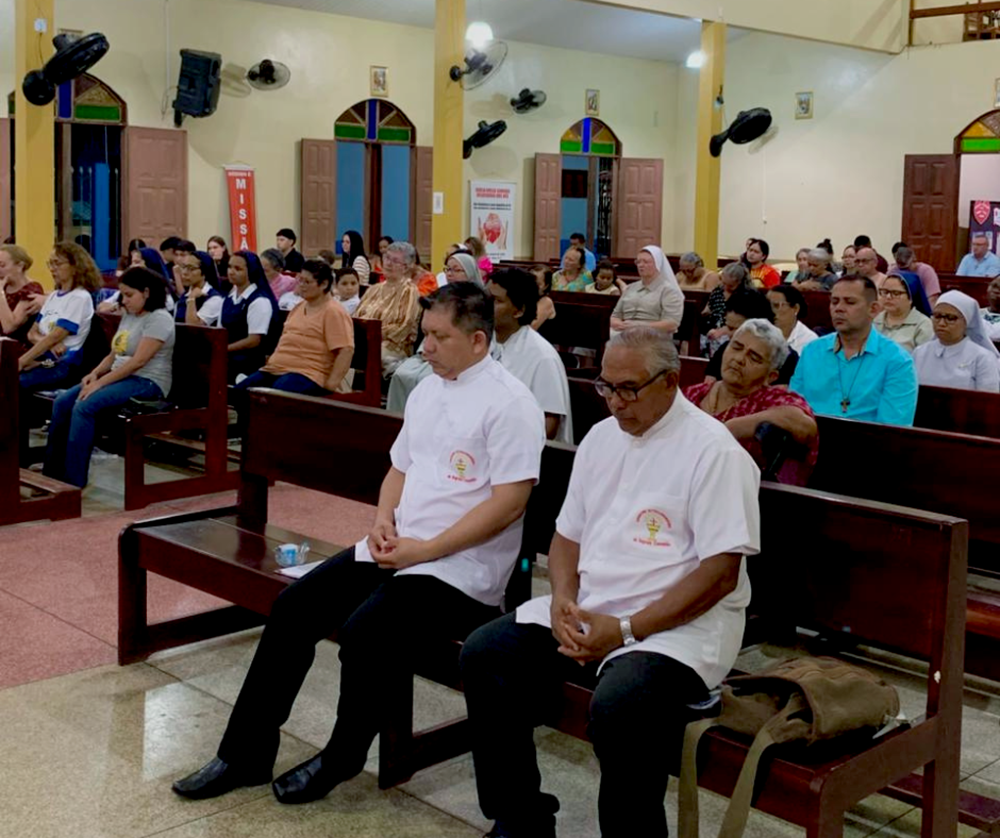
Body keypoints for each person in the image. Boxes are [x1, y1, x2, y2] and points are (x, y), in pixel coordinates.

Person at [171, 283, 545, 805]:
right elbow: (399, 468)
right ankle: (245, 753)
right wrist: (382, 520)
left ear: (478, 340)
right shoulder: (429, 390)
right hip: (399, 547)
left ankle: (342, 756)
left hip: (460, 568)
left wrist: (425, 549)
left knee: (366, 631)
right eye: (424, 334)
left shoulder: (511, 403)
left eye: (439, 337)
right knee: (294, 607)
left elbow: (508, 504)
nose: (425, 348)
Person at [460, 327, 760, 838]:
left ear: (670, 382)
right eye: (606, 387)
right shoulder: (601, 438)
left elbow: (719, 575)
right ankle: (521, 818)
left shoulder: (715, 453)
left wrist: (624, 630)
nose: (616, 402)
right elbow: (566, 537)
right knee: (486, 655)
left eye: (629, 389)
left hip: (678, 630)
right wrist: (562, 599)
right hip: (594, 606)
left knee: (621, 707)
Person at [43, 267, 175, 488]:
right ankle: (52, 474)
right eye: (122, 294)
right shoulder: (130, 316)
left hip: (147, 381)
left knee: (84, 406)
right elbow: (114, 354)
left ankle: (74, 481)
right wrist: (94, 374)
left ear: (146, 292)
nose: (124, 300)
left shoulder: (159, 318)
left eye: (129, 295)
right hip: (121, 377)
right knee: (63, 402)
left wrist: (100, 383)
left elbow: (138, 361)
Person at [685, 319, 818, 486]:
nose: (739, 359)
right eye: (736, 347)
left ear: (771, 376)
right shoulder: (695, 393)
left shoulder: (771, 399)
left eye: (754, 357)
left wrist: (732, 427)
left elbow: (805, 425)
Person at [790, 276, 918, 426]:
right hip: (808, 436)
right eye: (834, 302)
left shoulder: (897, 361)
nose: (839, 308)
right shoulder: (812, 351)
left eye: (850, 302)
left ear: (873, 309)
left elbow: (891, 429)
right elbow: (793, 407)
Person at [234, 259, 354, 404]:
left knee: (276, 395)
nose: (301, 285)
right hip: (276, 369)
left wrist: (330, 385)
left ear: (324, 284)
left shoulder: (333, 311)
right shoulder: (299, 307)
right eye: (300, 280)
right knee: (240, 391)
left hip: (308, 373)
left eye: (307, 282)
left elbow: (346, 350)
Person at [385, 252, 483, 410]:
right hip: (429, 353)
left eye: (456, 270)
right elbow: (430, 330)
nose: (450, 274)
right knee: (401, 374)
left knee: (427, 378)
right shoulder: (441, 298)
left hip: (457, 357)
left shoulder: (479, 301)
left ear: (469, 272)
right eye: (448, 269)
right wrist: (424, 351)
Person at [491, 268, 574, 443]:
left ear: (519, 310)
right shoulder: (487, 343)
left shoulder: (542, 357)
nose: (485, 305)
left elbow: (549, 425)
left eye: (496, 300)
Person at [18, 243, 100, 390]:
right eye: (51, 263)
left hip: (62, 365)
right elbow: (32, 333)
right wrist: (49, 344)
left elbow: (56, 335)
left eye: (57, 263)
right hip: (43, 358)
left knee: (12, 382)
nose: (52, 269)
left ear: (75, 267)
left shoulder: (80, 297)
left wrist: (21, 362)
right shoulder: (53, 296)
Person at [353, 241, 421, 376]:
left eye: (395, 261)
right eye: (387, 258)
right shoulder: (374, 289)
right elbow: (356, 317)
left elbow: (403, 327)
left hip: (392, 346)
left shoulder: (409, 291)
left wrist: (371, 334)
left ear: (406, 267)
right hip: (363, 341)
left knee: (362, 354)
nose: (388, 263)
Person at [913, 290, 1000, 392]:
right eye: (937, 316)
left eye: (950, 318)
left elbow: (987, 399)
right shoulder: (919, 353)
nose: (941, 323)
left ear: (966, 322)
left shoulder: (983, 358)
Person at [221, 250, 278, 382]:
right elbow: (221, 329)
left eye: (238, 269)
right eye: (229, 267)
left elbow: (253, 340)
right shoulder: (229, 298)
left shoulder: (259, 301)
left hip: (248, 360)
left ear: (250, 271)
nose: (231, 272)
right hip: (227, 354)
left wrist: (224, 349)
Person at [610, 245, 683, 334]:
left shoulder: (669, 291)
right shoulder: (630, 288)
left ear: (658, 264)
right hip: (624, 332)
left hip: (654, 336)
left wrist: (639, 326)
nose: (641, 265)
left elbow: (671, 324)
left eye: (646, 262)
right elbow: (615, 315)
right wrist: (617, 323)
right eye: (638, 262)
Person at [872, 274, 934, 354]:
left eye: (896, 293)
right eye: (885, 292)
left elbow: (924, 357)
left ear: (911, 297)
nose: (888, 297)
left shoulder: (923, 325)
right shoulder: (874, 319)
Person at [0, 244, 45, 346]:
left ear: (20, 266)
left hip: (18, 347)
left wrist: (0, 294)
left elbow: (9, 327)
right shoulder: (4, 286)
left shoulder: (31, 290)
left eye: (2, 265)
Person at [704, 262, 752, 342]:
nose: (725, 288)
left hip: (735, 335)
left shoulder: (747, 296)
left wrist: (725, 332)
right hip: (713, 331)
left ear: (740, 282)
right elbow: (707, 312)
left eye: (731, 286)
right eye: (724, 283)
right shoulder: (718, 291)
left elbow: (746, 323)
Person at [176, 250, 224, 326]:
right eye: (184, 267)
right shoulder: (184, 296)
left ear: (204, 272)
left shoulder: (214, 299)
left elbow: (193, 327)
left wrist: (192, 299)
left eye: (191, 268)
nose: (184, 273)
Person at [767, 284, 818, 355]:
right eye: (767, 305)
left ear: (795, 308)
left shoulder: (810, 341)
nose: (771, 311)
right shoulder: (760, 332)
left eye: (776, 306)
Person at [530, 265, 556, 331]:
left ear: (546, 286)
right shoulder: (524, 298)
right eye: (530, 281)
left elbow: (531, 327)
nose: (532, 286)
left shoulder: (546, 302)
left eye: (538, 284)